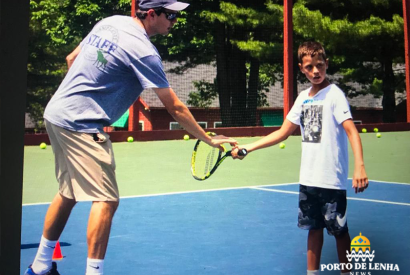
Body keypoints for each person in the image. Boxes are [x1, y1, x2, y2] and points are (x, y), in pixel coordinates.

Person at [24, 1, 237, 274]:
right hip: (82, 124)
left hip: (56, 113)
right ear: (151, 14)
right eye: (170, 14)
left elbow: (71, 59)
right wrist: (209, 139)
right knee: (107, 199)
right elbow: (175, 107)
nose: (175, 20)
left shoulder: (111, 22)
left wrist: (83, 94)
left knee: (68, 192)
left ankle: (40, 266)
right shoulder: (145, 52)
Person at [232, 41, 369, 275]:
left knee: (339, 231)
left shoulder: (335, 95)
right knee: (313, 230)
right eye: (309, 67)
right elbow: (282, 132)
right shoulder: (303, 98)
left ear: (327, 64)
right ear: (301, 68)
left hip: (331, 181)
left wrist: (360, 166)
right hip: (308, 180)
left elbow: (351, 131)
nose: (315, 71)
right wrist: (248, 148)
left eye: (319, 65)